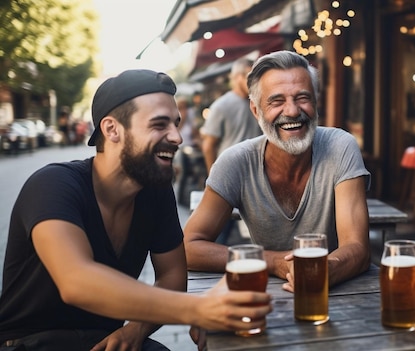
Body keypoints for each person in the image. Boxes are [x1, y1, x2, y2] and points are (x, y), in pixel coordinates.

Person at [0, 69, 271, 351]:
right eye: (159, 124)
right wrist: (199, 309)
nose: (177, 137)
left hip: (104, 341)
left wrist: (136, 329)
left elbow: (172, 276)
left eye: (176, 124)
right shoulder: (53, 185)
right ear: (111, 129)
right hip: (28, 342)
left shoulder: (155, 188)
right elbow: (76, 281)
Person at [184, 50, 371, 292]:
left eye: (303, 97)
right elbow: (187, 247)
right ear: (255, 110)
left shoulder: (340, 146)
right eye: (277, 101)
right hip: (263, 297)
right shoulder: (236, 162)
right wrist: (273, 262)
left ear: (316, 102)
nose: (292, 111)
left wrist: (327, 268)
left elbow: (358, 247)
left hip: (338, 293)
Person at [199, 57, 261, 244]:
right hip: (228, 177)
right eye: (250, 76)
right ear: (236, 77)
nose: (253, 82)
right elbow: (208, 144)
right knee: (217, 236)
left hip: (256, 177)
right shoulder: (221, 106)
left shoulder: (258, 103)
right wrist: (214, 178)